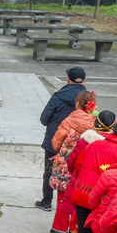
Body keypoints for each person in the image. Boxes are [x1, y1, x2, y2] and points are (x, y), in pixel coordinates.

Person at [36, 66, 88, 211]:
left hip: (55, 140)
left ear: (68, 79)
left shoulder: (58, 96)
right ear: (83, 80)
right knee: (74, 173)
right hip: (78, 143)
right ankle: (69, 203)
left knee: (48, 170)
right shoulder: (88, 99)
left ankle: (46, 202)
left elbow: (44, 119)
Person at [47, 92, 97, 233]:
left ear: (77, 104)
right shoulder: (96, 123)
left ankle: (59, 228)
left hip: (66, 164)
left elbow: (56, 143)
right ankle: (74, 229)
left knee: (63, 196)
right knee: (80, 197)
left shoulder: (69, 120)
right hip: (85, 165)